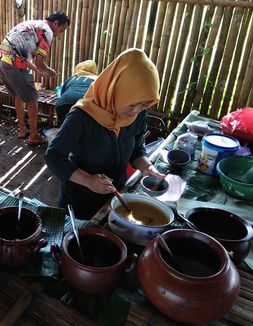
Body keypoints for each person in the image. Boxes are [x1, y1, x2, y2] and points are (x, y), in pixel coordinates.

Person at [44, 48, 165, 219]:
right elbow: (54, 156)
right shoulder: (82, 115)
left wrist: (147, 167)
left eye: (144, 105)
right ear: (117, 90)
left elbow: (137, 149)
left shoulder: (138, 115)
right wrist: (88, 180)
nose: (136, 111)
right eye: (132, 104)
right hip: (78, 204)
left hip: (116, 199)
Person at [0, 11, 70, 146]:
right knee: (32, 99)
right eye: (61, 30)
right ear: (56, 23)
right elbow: (39, 62)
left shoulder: (32, 24)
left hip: (2, 61)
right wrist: (50, 71)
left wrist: (37, 70)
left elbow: (20, 54)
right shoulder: (47, 31)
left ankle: (22, 130)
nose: (59, 34)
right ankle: (33, 136)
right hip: (14, 64)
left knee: (19, 95)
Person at [55, 59, 98, 126]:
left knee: (64, 129)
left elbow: (62, 94)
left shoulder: (72, 78)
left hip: (63, 103)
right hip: (86, 105)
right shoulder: (97, 80)